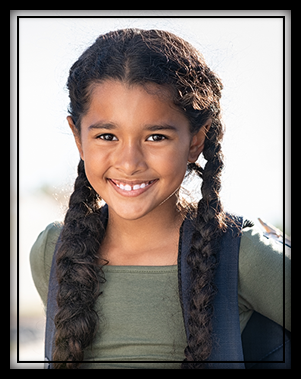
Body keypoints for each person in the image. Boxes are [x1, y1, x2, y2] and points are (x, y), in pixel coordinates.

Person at [30, 28, 290, 369]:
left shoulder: (240, 253)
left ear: (195, 140)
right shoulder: (54, 251)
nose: (129, 162)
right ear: (78, 138)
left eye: (156, 136)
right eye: (107, 136)